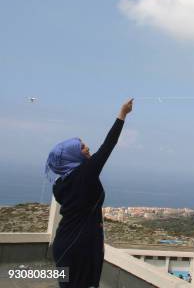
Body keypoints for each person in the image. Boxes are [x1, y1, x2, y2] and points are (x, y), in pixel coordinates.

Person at [46, 99, 133, 288]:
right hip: (78, 247)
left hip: (67, 243)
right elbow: (109, 144)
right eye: (82, 147)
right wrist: (122, 114)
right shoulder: (84, 173)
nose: (87, 148)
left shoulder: (61, 182)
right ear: (72, 155)